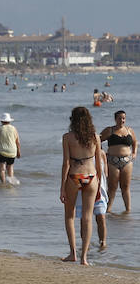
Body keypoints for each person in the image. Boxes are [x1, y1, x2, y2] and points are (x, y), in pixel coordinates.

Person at [60, 106, 105, 265]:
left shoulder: (67, 137)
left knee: (69, 216)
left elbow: (66, 164)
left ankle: (73, 253)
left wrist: (62, 187)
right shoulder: (95, 137)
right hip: (91, 176)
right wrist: (99, 184)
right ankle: (84, 257)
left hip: (74, 176)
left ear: (73, 119)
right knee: (87, 217)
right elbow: (99, 164)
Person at [98, 108, 133, 214]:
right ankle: (107, 210)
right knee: (112, 187)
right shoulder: (109, 130)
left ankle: (128, 211)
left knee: (125, 187)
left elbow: (135, 142)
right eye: (120, 118)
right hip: (112, 161)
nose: (122, 120)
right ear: (115, 119)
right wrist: (101, 153)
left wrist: (134, 152)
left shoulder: (129, 130)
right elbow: (98, 140)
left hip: (127, 161)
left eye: (123, 118)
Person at [0, 112, 22, 185]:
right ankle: (11, 183)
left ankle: (3, 184)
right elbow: (17, 142)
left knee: (2, 169)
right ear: (9, 121)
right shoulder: (14, 128)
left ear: (1, 121)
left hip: (2, 151)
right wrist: (18, 152)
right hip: (12, 152)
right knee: (10, 168)